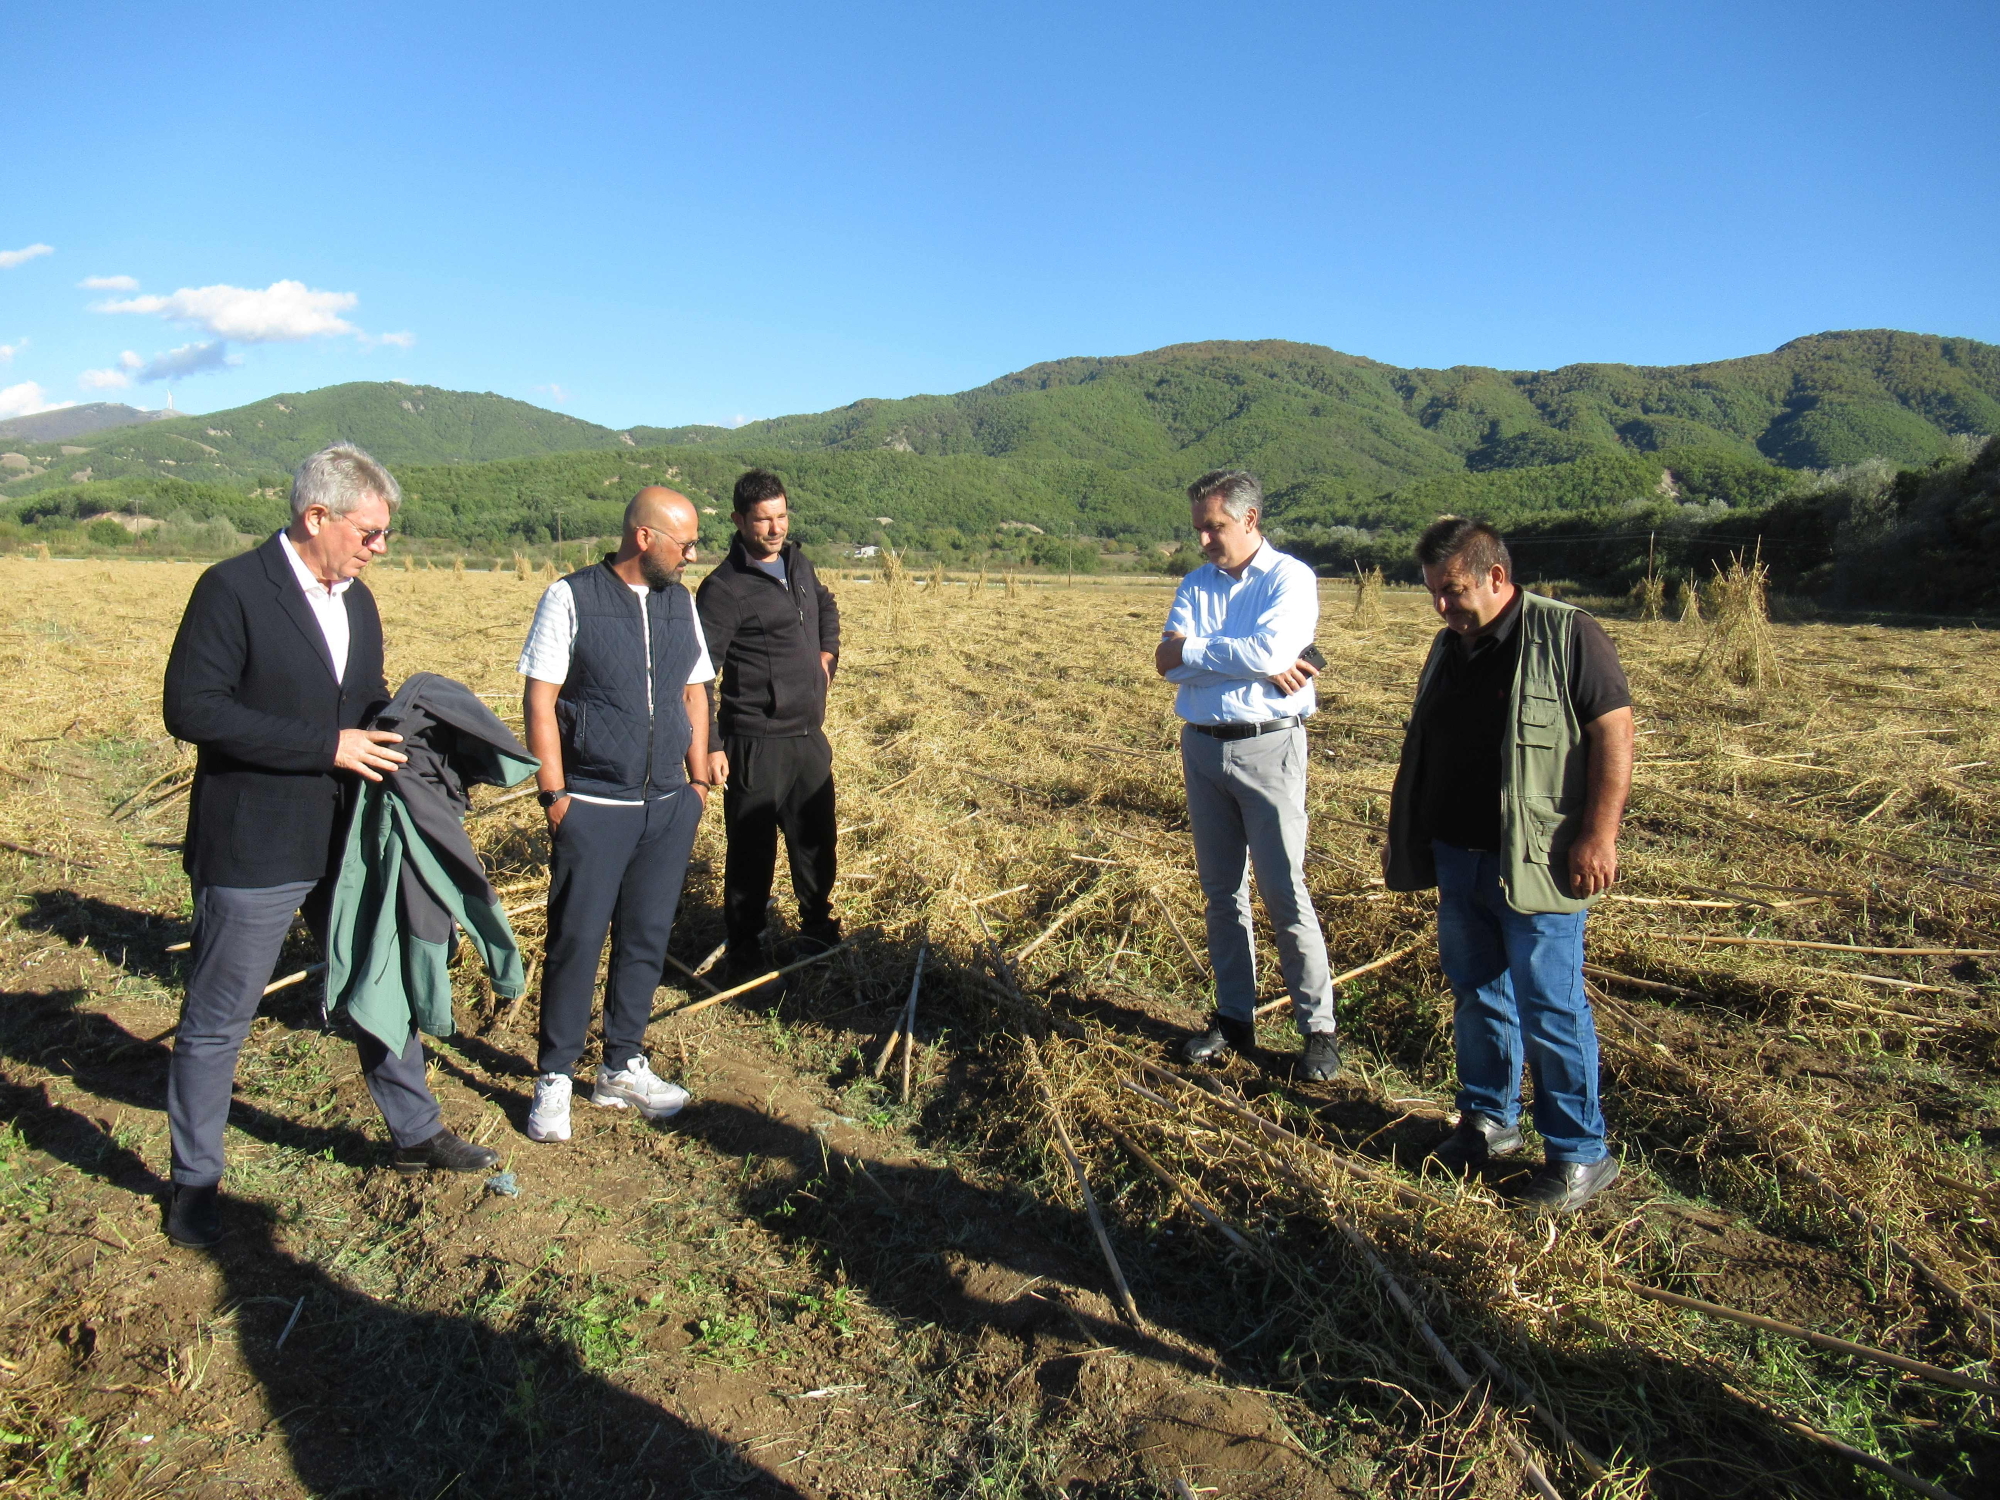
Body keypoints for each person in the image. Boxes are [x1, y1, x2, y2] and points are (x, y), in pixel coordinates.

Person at [161, 443, 498, 1249]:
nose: (381, 548)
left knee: (376, 983)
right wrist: (328, 745)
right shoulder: (233, 589)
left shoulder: (357, 603)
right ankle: (195, 1183)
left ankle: (415, 1133)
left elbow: (360, 704)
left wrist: (411, 732)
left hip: (348, 838)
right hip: (255, 843)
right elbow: (193, 710)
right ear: (318, 517)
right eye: (371, 532)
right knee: (218, 1019)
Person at [1384, 517, 1634, 1213]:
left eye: (1454, 590)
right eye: (1434, 592)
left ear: (1497, 576)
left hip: (1537, 862)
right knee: (1478, 998)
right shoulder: (1449, 646)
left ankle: (1579, 1154)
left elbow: (1614, 731)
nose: (1443, 605)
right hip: (1459, 859)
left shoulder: (1567, 633)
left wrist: (1598, 835)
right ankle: (1488, 1121)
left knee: (1550, 1007)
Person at [517, 487, 717, 1144]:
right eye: (684, 543)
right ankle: (554, 1076)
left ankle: (621, 1064)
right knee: (576, 938)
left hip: (666, 804)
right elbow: (540, 699)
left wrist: (695, 785)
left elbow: (694, 689)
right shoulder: (570, 598)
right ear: (644, 538)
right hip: (593, 804)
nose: (693, 554)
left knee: (646, 936)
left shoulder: (680, 604)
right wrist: (555, 794)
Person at [1156, 469, 1341, 1082]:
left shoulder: (1290, 578)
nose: (1205, 540)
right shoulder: (1194, 582)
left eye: (1215, 527)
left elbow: (1265, 656)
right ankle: (1235, 1017)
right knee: (1221, 893)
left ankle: (1318, 1029)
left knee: (1285, 890)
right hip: (1203, 750)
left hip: (1270, 750)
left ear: (1250, 519)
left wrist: (1200, 651)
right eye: (1199, 530)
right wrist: (1247, 659)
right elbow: (1165, 662)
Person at [695, 468, 843, 982]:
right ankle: (746, 949)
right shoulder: (723, 589)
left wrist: (828, 655)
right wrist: (710, 745)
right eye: (763, 520)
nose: (775, 528)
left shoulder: (798, 562)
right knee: (752, 850)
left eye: (781, 516)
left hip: (808, 735)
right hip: (755, 739)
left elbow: (825, 603)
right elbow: (696, 674)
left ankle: (816, 928)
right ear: (738, 520)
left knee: (816, 839)